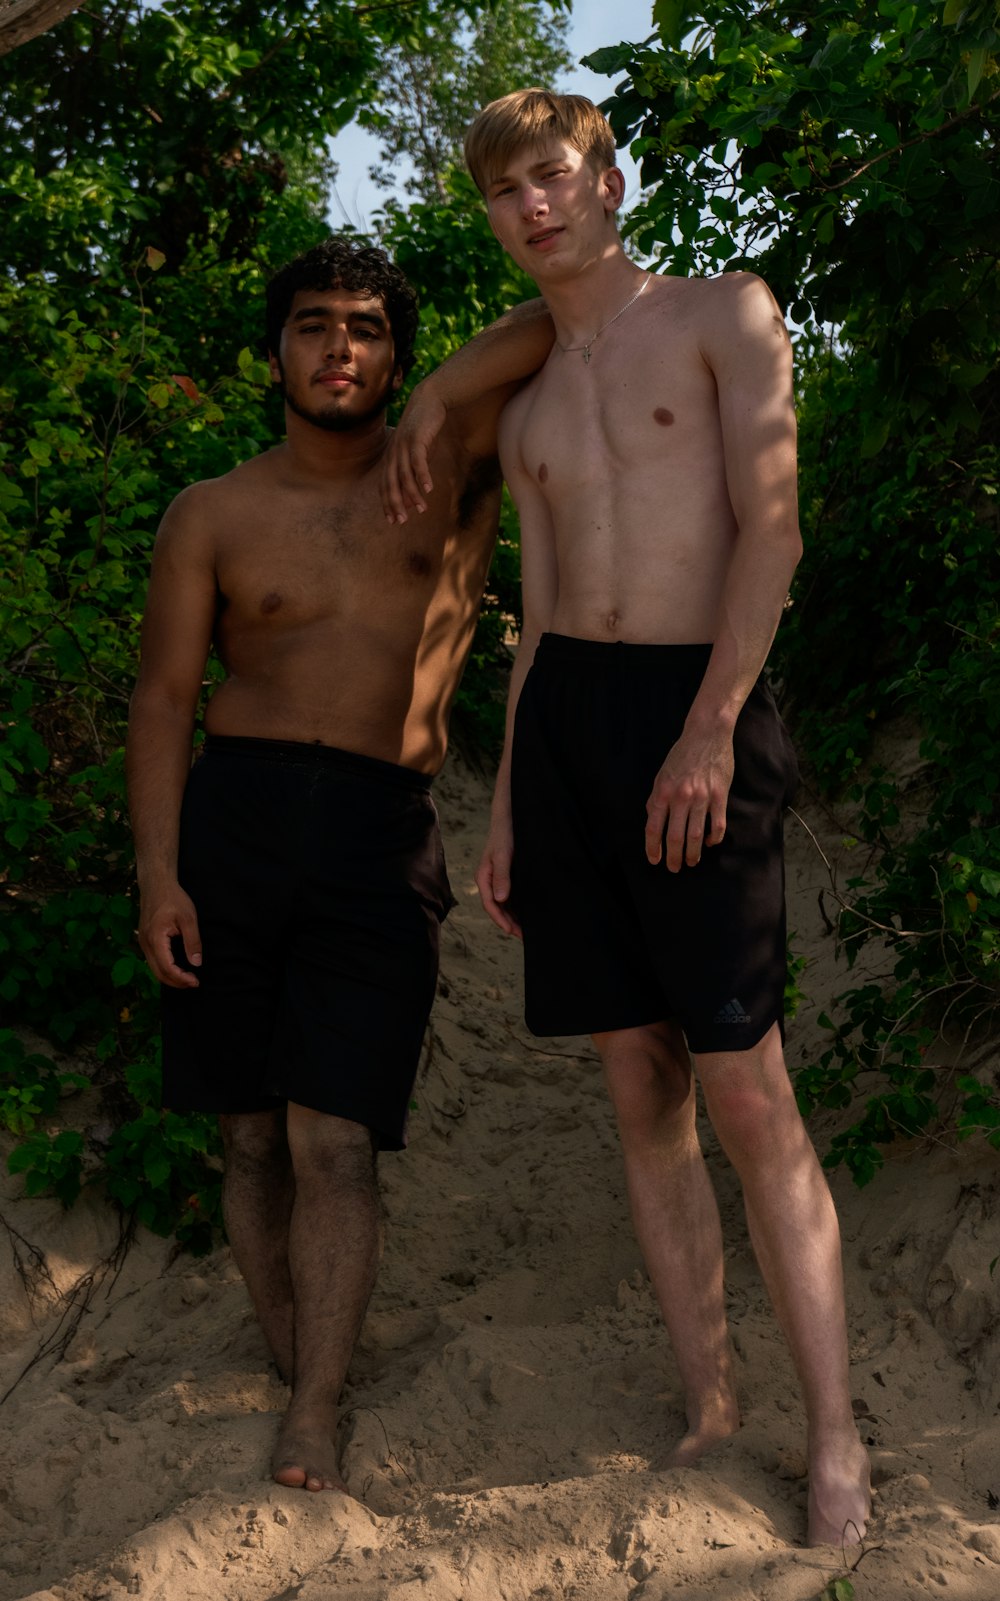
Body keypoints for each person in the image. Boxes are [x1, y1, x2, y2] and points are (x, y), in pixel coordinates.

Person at [384, 91, 871, 1548]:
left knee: (743, 1088)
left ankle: (837, 1435)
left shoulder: (725, 311)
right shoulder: (526, 396)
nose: (531, 207)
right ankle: (711, 1405)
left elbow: (770, 529)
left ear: (607, 179)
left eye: (552, 176)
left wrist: (714, 724)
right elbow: (533, 621)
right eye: (503, 193)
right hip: (572, 733)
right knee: (634, 1082)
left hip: (692, 701)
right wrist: (516, 804)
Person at [126, 237, 552, 1494]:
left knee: (336, 1139)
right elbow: (160, 697)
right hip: (234, 820)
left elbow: (562, 309)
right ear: (276, 350)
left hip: (380, 824)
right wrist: (160, 874)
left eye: (365, 328)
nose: (339, 349)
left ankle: (312, 1407)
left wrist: (437, 400)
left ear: (395, 354)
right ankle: (292, 1346)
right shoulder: (210, 510)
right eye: (313, 325)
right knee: (249, 1138)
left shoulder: (452, 475)